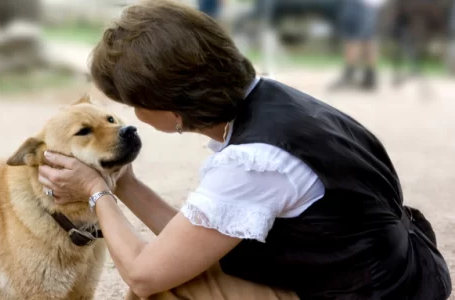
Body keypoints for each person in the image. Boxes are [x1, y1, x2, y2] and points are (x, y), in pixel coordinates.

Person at [38, 1, 452, 299]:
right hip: (402, 271)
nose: (129, 115)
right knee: (180, 267)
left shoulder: (255, 162)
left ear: (173, 107)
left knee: (162, 289)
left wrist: (97, 192)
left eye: (132, 102)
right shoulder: (272, 102)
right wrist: (123, 181)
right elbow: (193, 238)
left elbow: (146, 274)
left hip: (377, 291)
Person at [330, 0, 386, 91]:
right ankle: (369, 77)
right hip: (356, 4)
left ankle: (351, 75)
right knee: (363, 39)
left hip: (365, 5)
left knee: (355, 39)